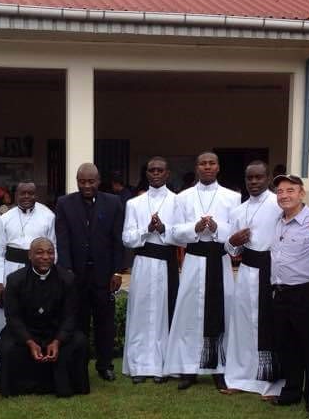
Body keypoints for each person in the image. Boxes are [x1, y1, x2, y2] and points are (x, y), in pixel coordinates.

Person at [163, 152, 241, 389]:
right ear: (197, 167)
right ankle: (189, 368)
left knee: (222, 310)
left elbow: (236, 233)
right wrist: (194, 228)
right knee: (190, 314)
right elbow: (174, 232)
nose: (207, 167)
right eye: (203, 163)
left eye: (211, 163)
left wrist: (217, 228)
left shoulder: (232, 197)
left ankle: (219, 368)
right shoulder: (183, 197)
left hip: (219, 259)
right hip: (194, 260)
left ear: (218, 167)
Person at [55, 163, 125, 381]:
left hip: (104, 276)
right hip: (76, 276)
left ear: (99, 181)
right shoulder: (64, 203)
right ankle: (80, 364)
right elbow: (62, 240)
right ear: (77, 181)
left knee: (105, 323)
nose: (87, 185)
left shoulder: (113, 202)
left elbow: (118, 240)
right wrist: (66, 271)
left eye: (91, 181)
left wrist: (117, 272)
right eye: (82, 181)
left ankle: (105, 365)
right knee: (78, 322)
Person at [222, 160, 284, 396]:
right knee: (244, 324)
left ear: (268, 178)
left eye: (259, 177)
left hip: (271, 271)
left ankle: (270, 381)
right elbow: (231, 249)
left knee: (268, 324)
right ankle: (241, 378)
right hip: (246, 271)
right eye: (250, 178)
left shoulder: (278, 204)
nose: (254, 182)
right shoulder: (238, 211)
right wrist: (233, 241)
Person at [0, 238, 88, 397]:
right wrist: (30, 342)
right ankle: (18, 388)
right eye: (39, 253)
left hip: (55, 332)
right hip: (27, 332)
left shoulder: (67, 279)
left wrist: (57, 341)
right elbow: (13, 317)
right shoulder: (15, 280)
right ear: (30, 255)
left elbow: (70, 316)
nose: (46, 257)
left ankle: (66, 385)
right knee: (7, 346)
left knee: (79, 341)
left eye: (50, 253)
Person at [266, 174, 309, 407]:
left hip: (306, 292)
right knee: (286, 344)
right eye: (280, 191)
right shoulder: (277, 220)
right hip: (280, 292)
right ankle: (291, 391)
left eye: (290, 190)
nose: (284, 195)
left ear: (302, 194)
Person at [121, 157, 179, 383]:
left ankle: (161, 366)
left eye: (160, 170)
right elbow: (127, 238)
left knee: (164, 313)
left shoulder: (177, 201)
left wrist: (164, 229)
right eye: (152, 170)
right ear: (146, 174)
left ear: (167, 173)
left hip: (166, 262)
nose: (155, 173)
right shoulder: (134, 203)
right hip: (143, 263)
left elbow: (184, 235)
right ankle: (139, 366)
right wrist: (146, 230)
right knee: (140, 312)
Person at [0, 180, 56, 349]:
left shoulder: (48, 216)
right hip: (10, 270)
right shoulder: (4, 218)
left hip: (38, 271)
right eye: (22, 193)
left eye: (30, 193)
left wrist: (50, 277)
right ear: (16, 195)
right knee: (4, 315)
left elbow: (53, 249)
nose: (26, 196)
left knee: (35, 313)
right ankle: (3, 358)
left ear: (36, 195)